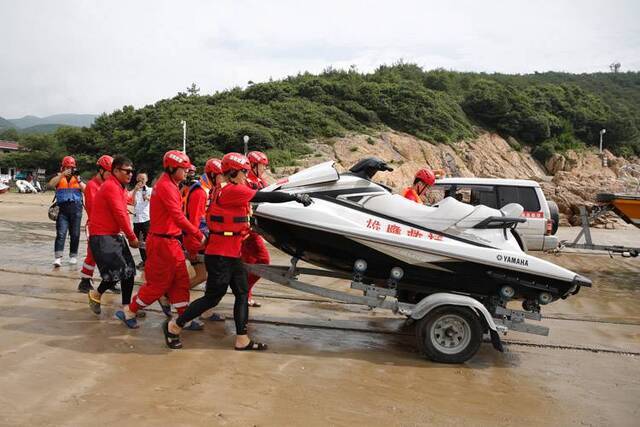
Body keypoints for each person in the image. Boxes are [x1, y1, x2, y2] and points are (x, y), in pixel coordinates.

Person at [164, 152, 313, 350]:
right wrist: (294, 198)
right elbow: (265, 196)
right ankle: (174, 326)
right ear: (234, 172)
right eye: (244, 171)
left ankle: (242, 339)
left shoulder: (224, 188)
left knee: (242, 293)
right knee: (213, 297)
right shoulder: (232, 191)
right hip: (220, 255)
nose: (246, 175)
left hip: (231, 252)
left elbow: (260, 188)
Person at [115, 150, 205, 329]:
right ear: (172, 168)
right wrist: (198, 234)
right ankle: (130, 311)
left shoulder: (168, 184)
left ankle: (182, 318)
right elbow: (178, 217)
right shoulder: (167, 187)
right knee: (159, 284)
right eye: (184, 168)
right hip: (163, 243)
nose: (187, 171)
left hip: (169, 241)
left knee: (180, 280)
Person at [86, 156, 139, 320]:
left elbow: (126, 207)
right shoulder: (111, 187)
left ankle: (125, 307)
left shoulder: (118, 187)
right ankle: (97, 294)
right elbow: (120, 214)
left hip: (113, 235)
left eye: (132, 171)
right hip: (103, 236)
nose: (130, 174)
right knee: (117, 273)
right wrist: (132, 236)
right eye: (127, 171)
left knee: (129, 272)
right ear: (115, 171)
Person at [77, 155, 114, 293]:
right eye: (109, 173)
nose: (111, 176)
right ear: (101, 170)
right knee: (93, 253)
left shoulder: (107, 184)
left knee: (111, 253)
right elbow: (94, 209)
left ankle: (111, 279)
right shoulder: (92, 186)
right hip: (95, 225)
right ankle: (85, 281)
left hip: (107, 225)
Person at [242, 151, 271, 307]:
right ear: (253, 165)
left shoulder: (261, 182)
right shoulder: (245, 182)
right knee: (263, 261)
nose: (264, 169)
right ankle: (243, 293)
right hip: (247, 231)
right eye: (262, 166)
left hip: (255, 229)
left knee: (251, 263)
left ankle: (245, 294)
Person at [48, 156, 86, 267]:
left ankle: (73, 256)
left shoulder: (78, 178)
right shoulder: (59, 177)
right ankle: (58, 258)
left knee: (75, 234)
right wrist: (62, 175)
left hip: (76, 208)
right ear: (63, 167)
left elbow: (86, 190)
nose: (70, 169)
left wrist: (78, 179)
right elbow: (51, 184)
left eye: (71, 167)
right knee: (61, 233)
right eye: (67, 167)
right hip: (62, 209)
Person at [131, 172, 152, 268]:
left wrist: (147, 197)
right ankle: (144, 260)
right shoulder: (134, 191)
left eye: (143, 178)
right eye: (139, 178)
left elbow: (153, 199)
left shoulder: (150, 190)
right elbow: (133, 203)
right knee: (139, 242)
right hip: (136, 220)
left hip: (146, 219)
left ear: (146, 179)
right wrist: (135, 191)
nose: (141, 180)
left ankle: (150, 261)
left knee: (147, 241)